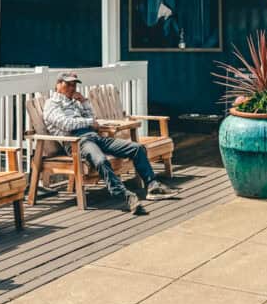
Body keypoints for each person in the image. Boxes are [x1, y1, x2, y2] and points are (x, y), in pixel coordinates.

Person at [43, 72, 175, 214]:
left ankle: (152, 186)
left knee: (137, 148)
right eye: (68, 84)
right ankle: (125, 196)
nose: (72, 87)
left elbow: (92, 118)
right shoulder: (51, 105)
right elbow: (67, 124)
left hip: (95, 137)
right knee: (101, 161)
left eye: (74, 84)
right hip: (78, 142)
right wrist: (90, 123)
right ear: (58, 85)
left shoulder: (75, 103)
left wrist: (85, 102)